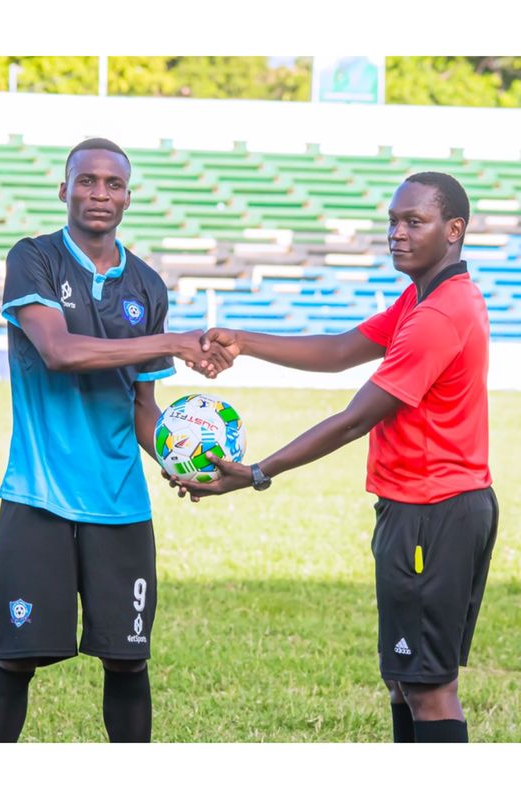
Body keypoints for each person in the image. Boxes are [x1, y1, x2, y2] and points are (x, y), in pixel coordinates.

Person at [179, 172, 495, 744]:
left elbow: (354, 419)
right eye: (393, 221)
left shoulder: (440, 314)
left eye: (414, 222)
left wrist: (258, 472)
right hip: (421, 507)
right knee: (403, 679)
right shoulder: (423, 297)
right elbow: (342, 349)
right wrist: (246, 342)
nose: (397, 233)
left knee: (428, 687)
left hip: (434, 509)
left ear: (454, 230)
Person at [0, 138, 231, 743]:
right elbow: (59, 352)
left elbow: (143, 407)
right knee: (14, 661)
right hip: (38, 498)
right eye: (86, 181)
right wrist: (171, 343)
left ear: (128, 197)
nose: (99, 193)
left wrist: (182, 459)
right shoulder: (34, 257)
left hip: (120, 505)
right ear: (64, 189)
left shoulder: (147, 286)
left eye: (113, 184)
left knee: (128, 662)